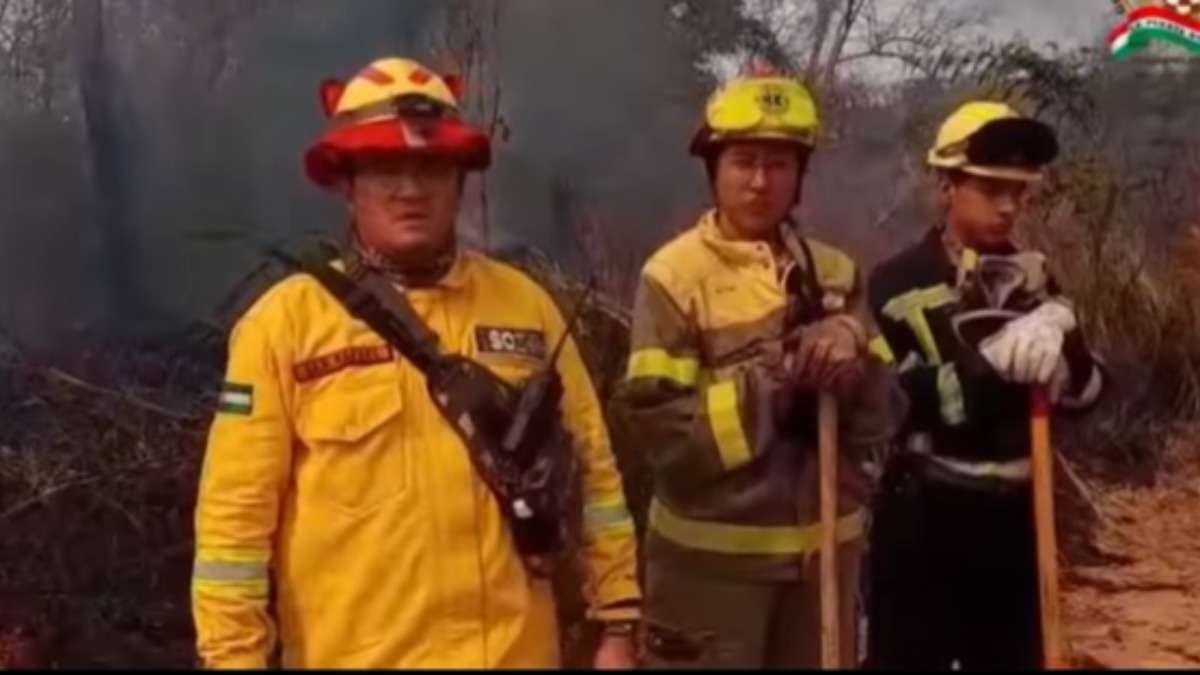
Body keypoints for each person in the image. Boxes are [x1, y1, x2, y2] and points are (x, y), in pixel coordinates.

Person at [190, 56, 642, 670]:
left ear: (459, 180)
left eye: (431, 168)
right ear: (347, 183)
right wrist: (233, 661)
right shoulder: (285, 325)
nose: (410, 190)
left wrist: (617, 620)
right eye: (384, 169)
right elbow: (232, 531)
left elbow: (595, 474)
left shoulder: (527, 307)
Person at [612, 67, 903, 669]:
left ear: (800, 178)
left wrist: (851, 349)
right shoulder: (674, 278)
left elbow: (884, 415)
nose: (761, 181)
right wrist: (777, 382)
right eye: (744, 161)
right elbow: (661, 438)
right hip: (712, 579)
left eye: (780, 164)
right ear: (713, 169)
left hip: (824, 562)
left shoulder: (836, 274)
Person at [862, 100, 1107, 669]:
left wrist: (1065, 344)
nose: (1007, 207)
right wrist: (988, 373)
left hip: (1019, 523)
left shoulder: (1038, 282)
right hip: (925, 521)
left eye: (1019, 193)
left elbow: (1087, 395)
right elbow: (894, 398)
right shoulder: (897, 281)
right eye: (991, 188)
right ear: (946, 185)